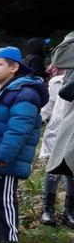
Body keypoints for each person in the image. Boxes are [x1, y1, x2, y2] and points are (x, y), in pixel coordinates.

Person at [0, 47, 49, 243]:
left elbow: (20, 128)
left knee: (4, 198)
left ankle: (10, 239)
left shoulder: (25, 93)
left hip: (4, 157)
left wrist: (5, 155)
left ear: (14, 67)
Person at [39, 65, 74, 227]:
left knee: (71, 172)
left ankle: (69, 211)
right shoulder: (56, 82)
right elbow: (49, 104)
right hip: (56, 131)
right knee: (52, 170)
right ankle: (47, 209)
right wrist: (38, 118)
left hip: (72, 132)